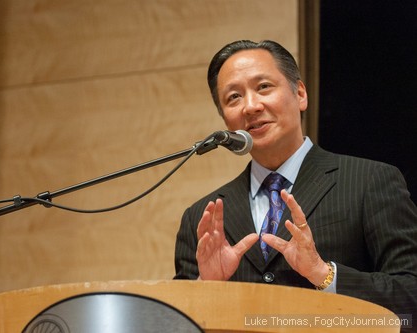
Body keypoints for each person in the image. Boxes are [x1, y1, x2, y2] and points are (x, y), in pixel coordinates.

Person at [174, 40, 417, 330]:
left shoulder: (370, 181)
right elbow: (175, 323)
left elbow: (410, 300)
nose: (251, 106)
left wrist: (322, 273)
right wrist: (207, 287)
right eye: (234, 97)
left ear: (300, 94)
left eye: (263, 87)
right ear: (225, 121)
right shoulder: (203, 217)